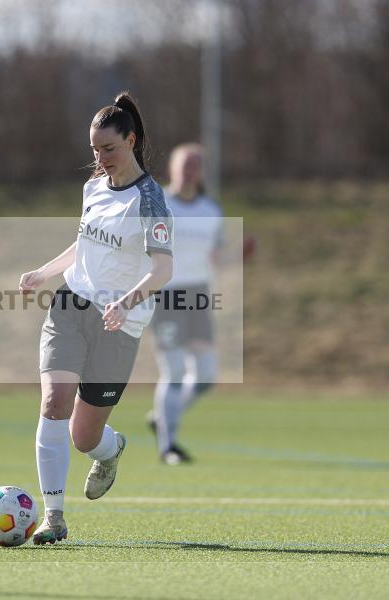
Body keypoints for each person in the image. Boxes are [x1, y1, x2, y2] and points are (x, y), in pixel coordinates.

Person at [19, 92, 173, 544]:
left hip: (120, 322)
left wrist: (127, 300)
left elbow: (164, 268)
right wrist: (44, 273)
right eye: (93, 150)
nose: (100, 158)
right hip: (72, 304)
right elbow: (84, 245)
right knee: (54, 402)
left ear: (131, 140)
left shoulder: (149, 200)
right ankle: (54, 517)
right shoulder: (92, 187)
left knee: (84, 437)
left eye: (108, 149)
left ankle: (111, 449)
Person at [148, 143, 231, 465]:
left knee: (206, 375)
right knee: (175, 370)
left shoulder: (211, 210)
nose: (190, 169)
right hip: (166, 294)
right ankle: (167, 446)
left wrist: (236, 255)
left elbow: (216, 255)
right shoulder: (159, 204)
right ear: (172, 168)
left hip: (197, 295)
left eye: (196, 164)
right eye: (185, 163)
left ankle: (162, 417)